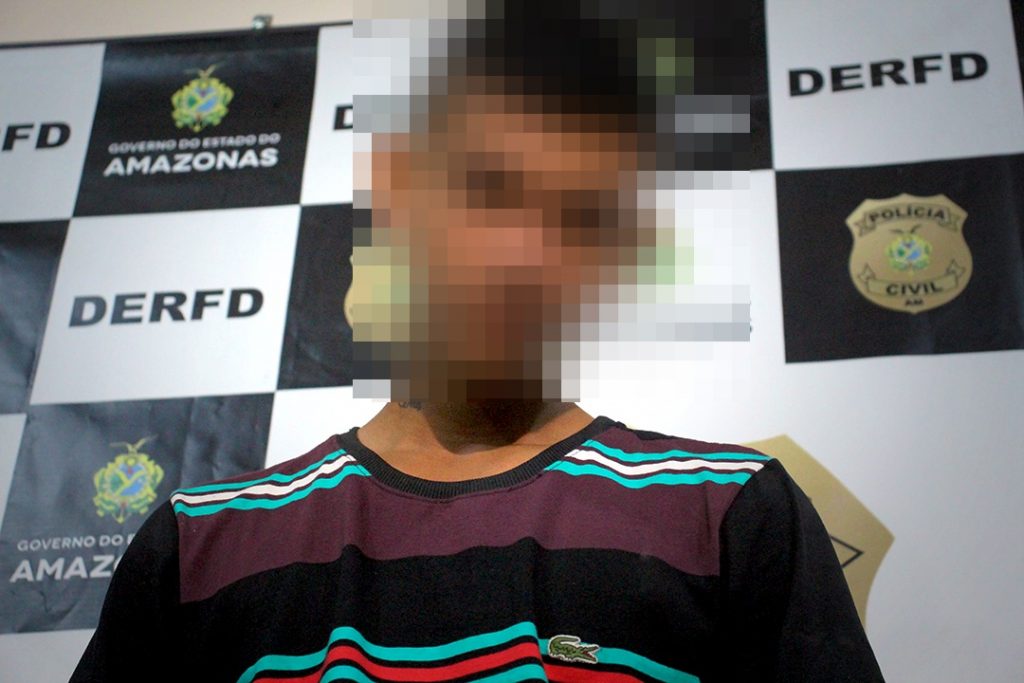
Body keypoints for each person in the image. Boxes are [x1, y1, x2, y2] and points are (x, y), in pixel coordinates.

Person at [72, 2, 885, 681]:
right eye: (488, 189)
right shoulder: (200, 544)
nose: (523, 253)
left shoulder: (730, 512)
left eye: (580, 218)